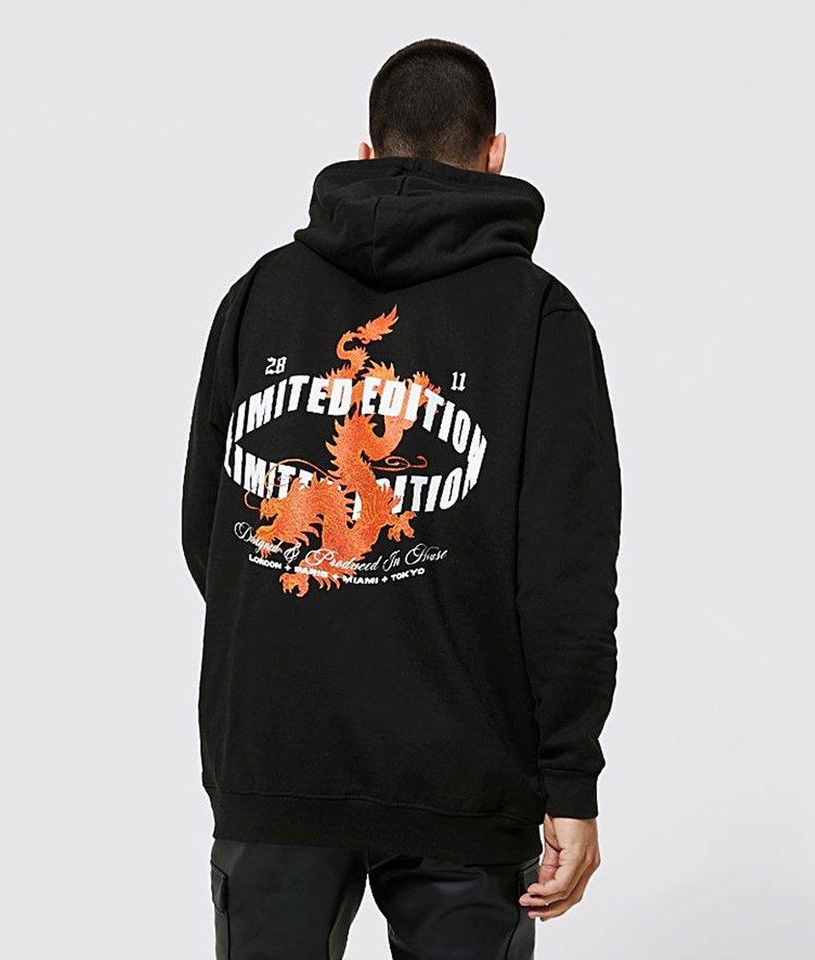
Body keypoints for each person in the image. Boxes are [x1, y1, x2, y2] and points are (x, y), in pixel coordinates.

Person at [183, 37, 621, 960]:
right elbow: (565, 579)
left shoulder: (260, 296)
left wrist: (307, 629)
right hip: (464, 768)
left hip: (277, 755)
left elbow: (209, 531)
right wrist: (570, 783)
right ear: (494, 154)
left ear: (367, 151)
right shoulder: (540, 318)